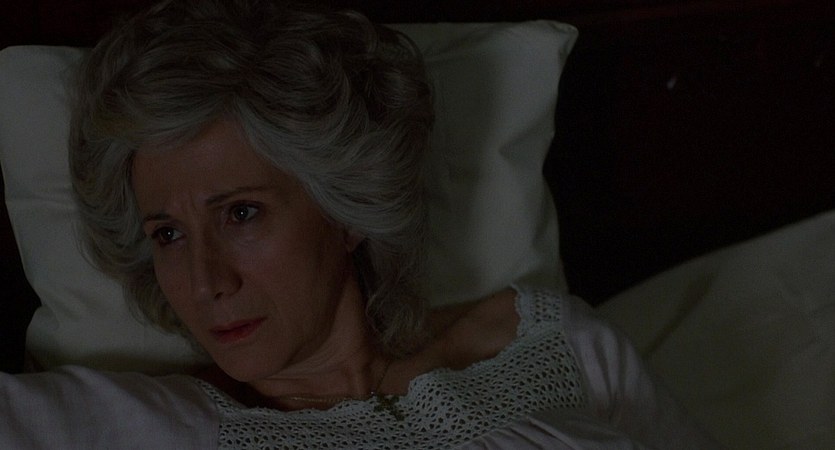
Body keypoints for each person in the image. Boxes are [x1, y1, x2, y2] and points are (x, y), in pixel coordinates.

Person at [0, 0, 719, 448]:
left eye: (241, 213)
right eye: (168, 234)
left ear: (346, 209)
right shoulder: (150, 426)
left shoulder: (555, 343)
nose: (205, 280)